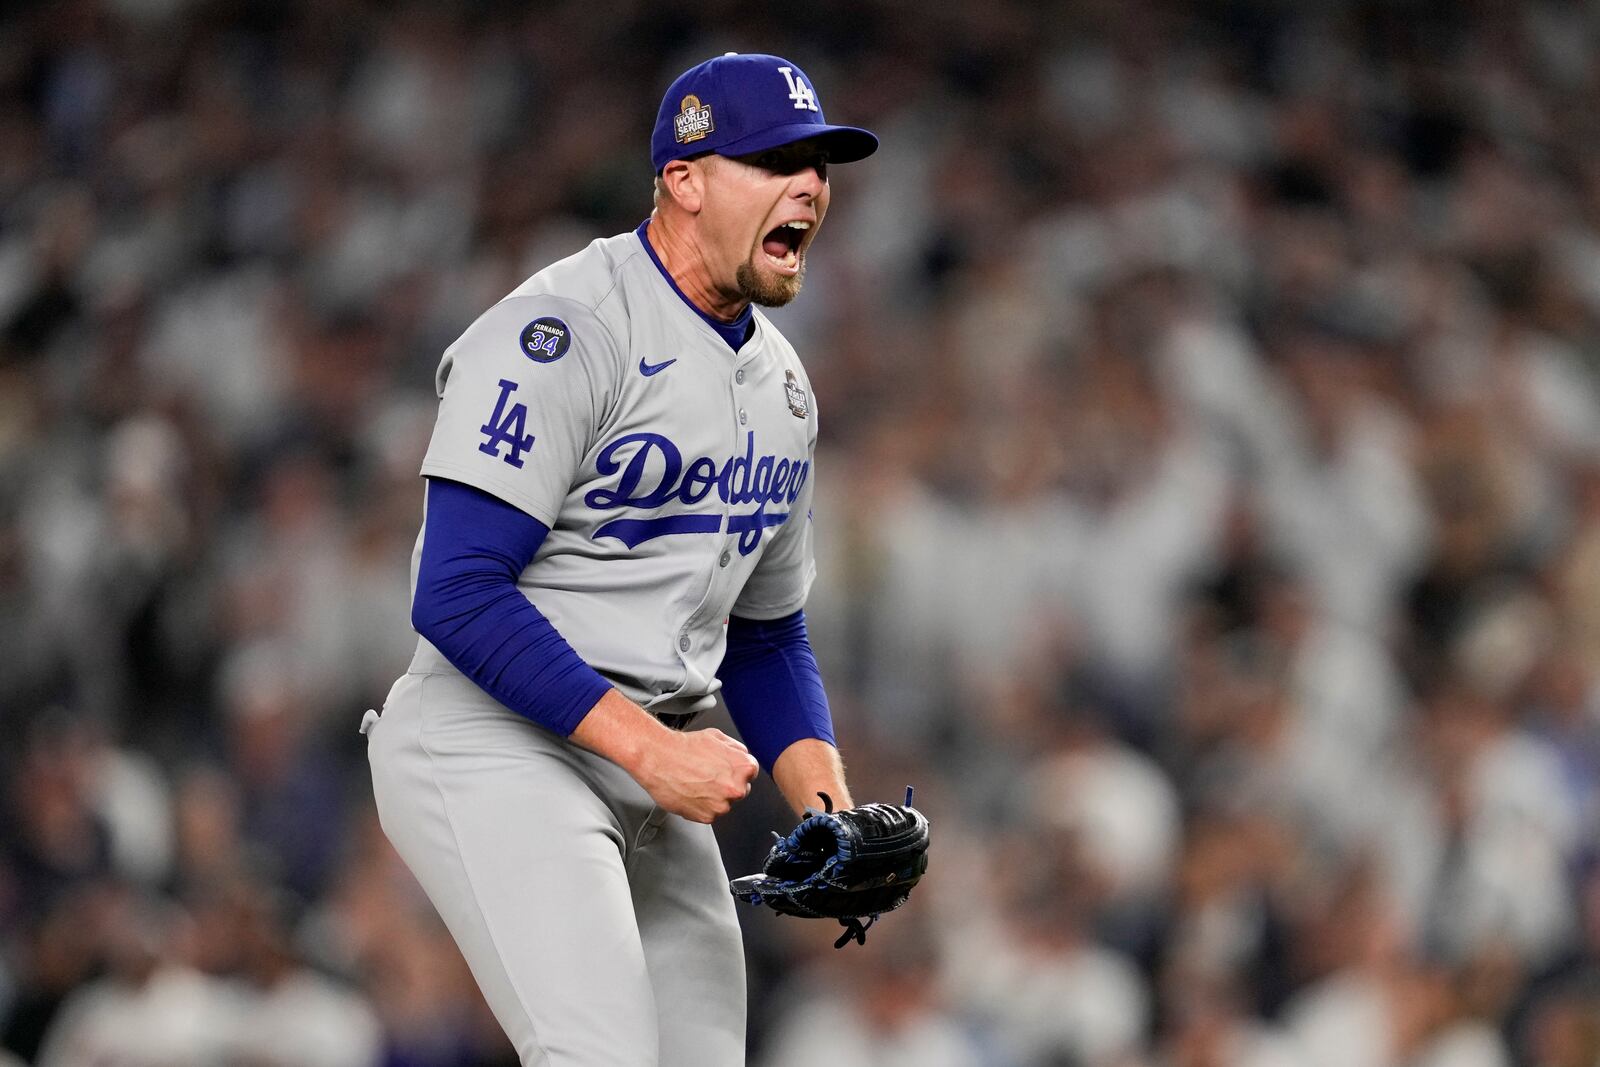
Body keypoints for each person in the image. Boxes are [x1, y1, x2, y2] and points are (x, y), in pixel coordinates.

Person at [363, 52, 878, 1066]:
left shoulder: (782, 387)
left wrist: (831, 812)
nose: (810, 185)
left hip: (654, 754)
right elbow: (457, 592)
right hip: (495, 738)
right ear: (684, 179)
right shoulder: (564, 330)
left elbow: (766, 636)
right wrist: (650, 750)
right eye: (774, 159)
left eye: (818, 163)